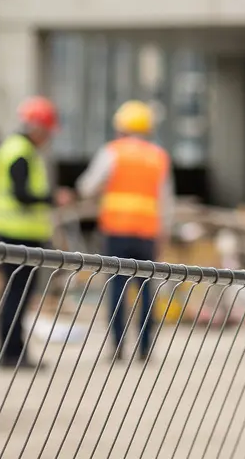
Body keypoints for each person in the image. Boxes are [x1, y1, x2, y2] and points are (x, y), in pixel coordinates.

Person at [75, 100, 174, 361]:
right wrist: (163, 233)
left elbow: (86, 186)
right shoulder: (158, 157)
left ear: (122, 127)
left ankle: (118, 347)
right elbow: (166, 202)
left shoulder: (113, 152)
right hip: (147, 233)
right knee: (145, 290)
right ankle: (144, 348)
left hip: (117, 231)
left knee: (117, 287)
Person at [0, 96, 74, 369]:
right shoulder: (20, 152)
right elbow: (21, 194)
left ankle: (13, 350)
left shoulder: (17, 149)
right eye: (47, 133)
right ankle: (11, 353)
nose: (48, 139)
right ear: (38, 128)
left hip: (17, 234)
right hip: (17, 235)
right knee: (17, 295)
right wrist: (51, 199)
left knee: (17, 295)